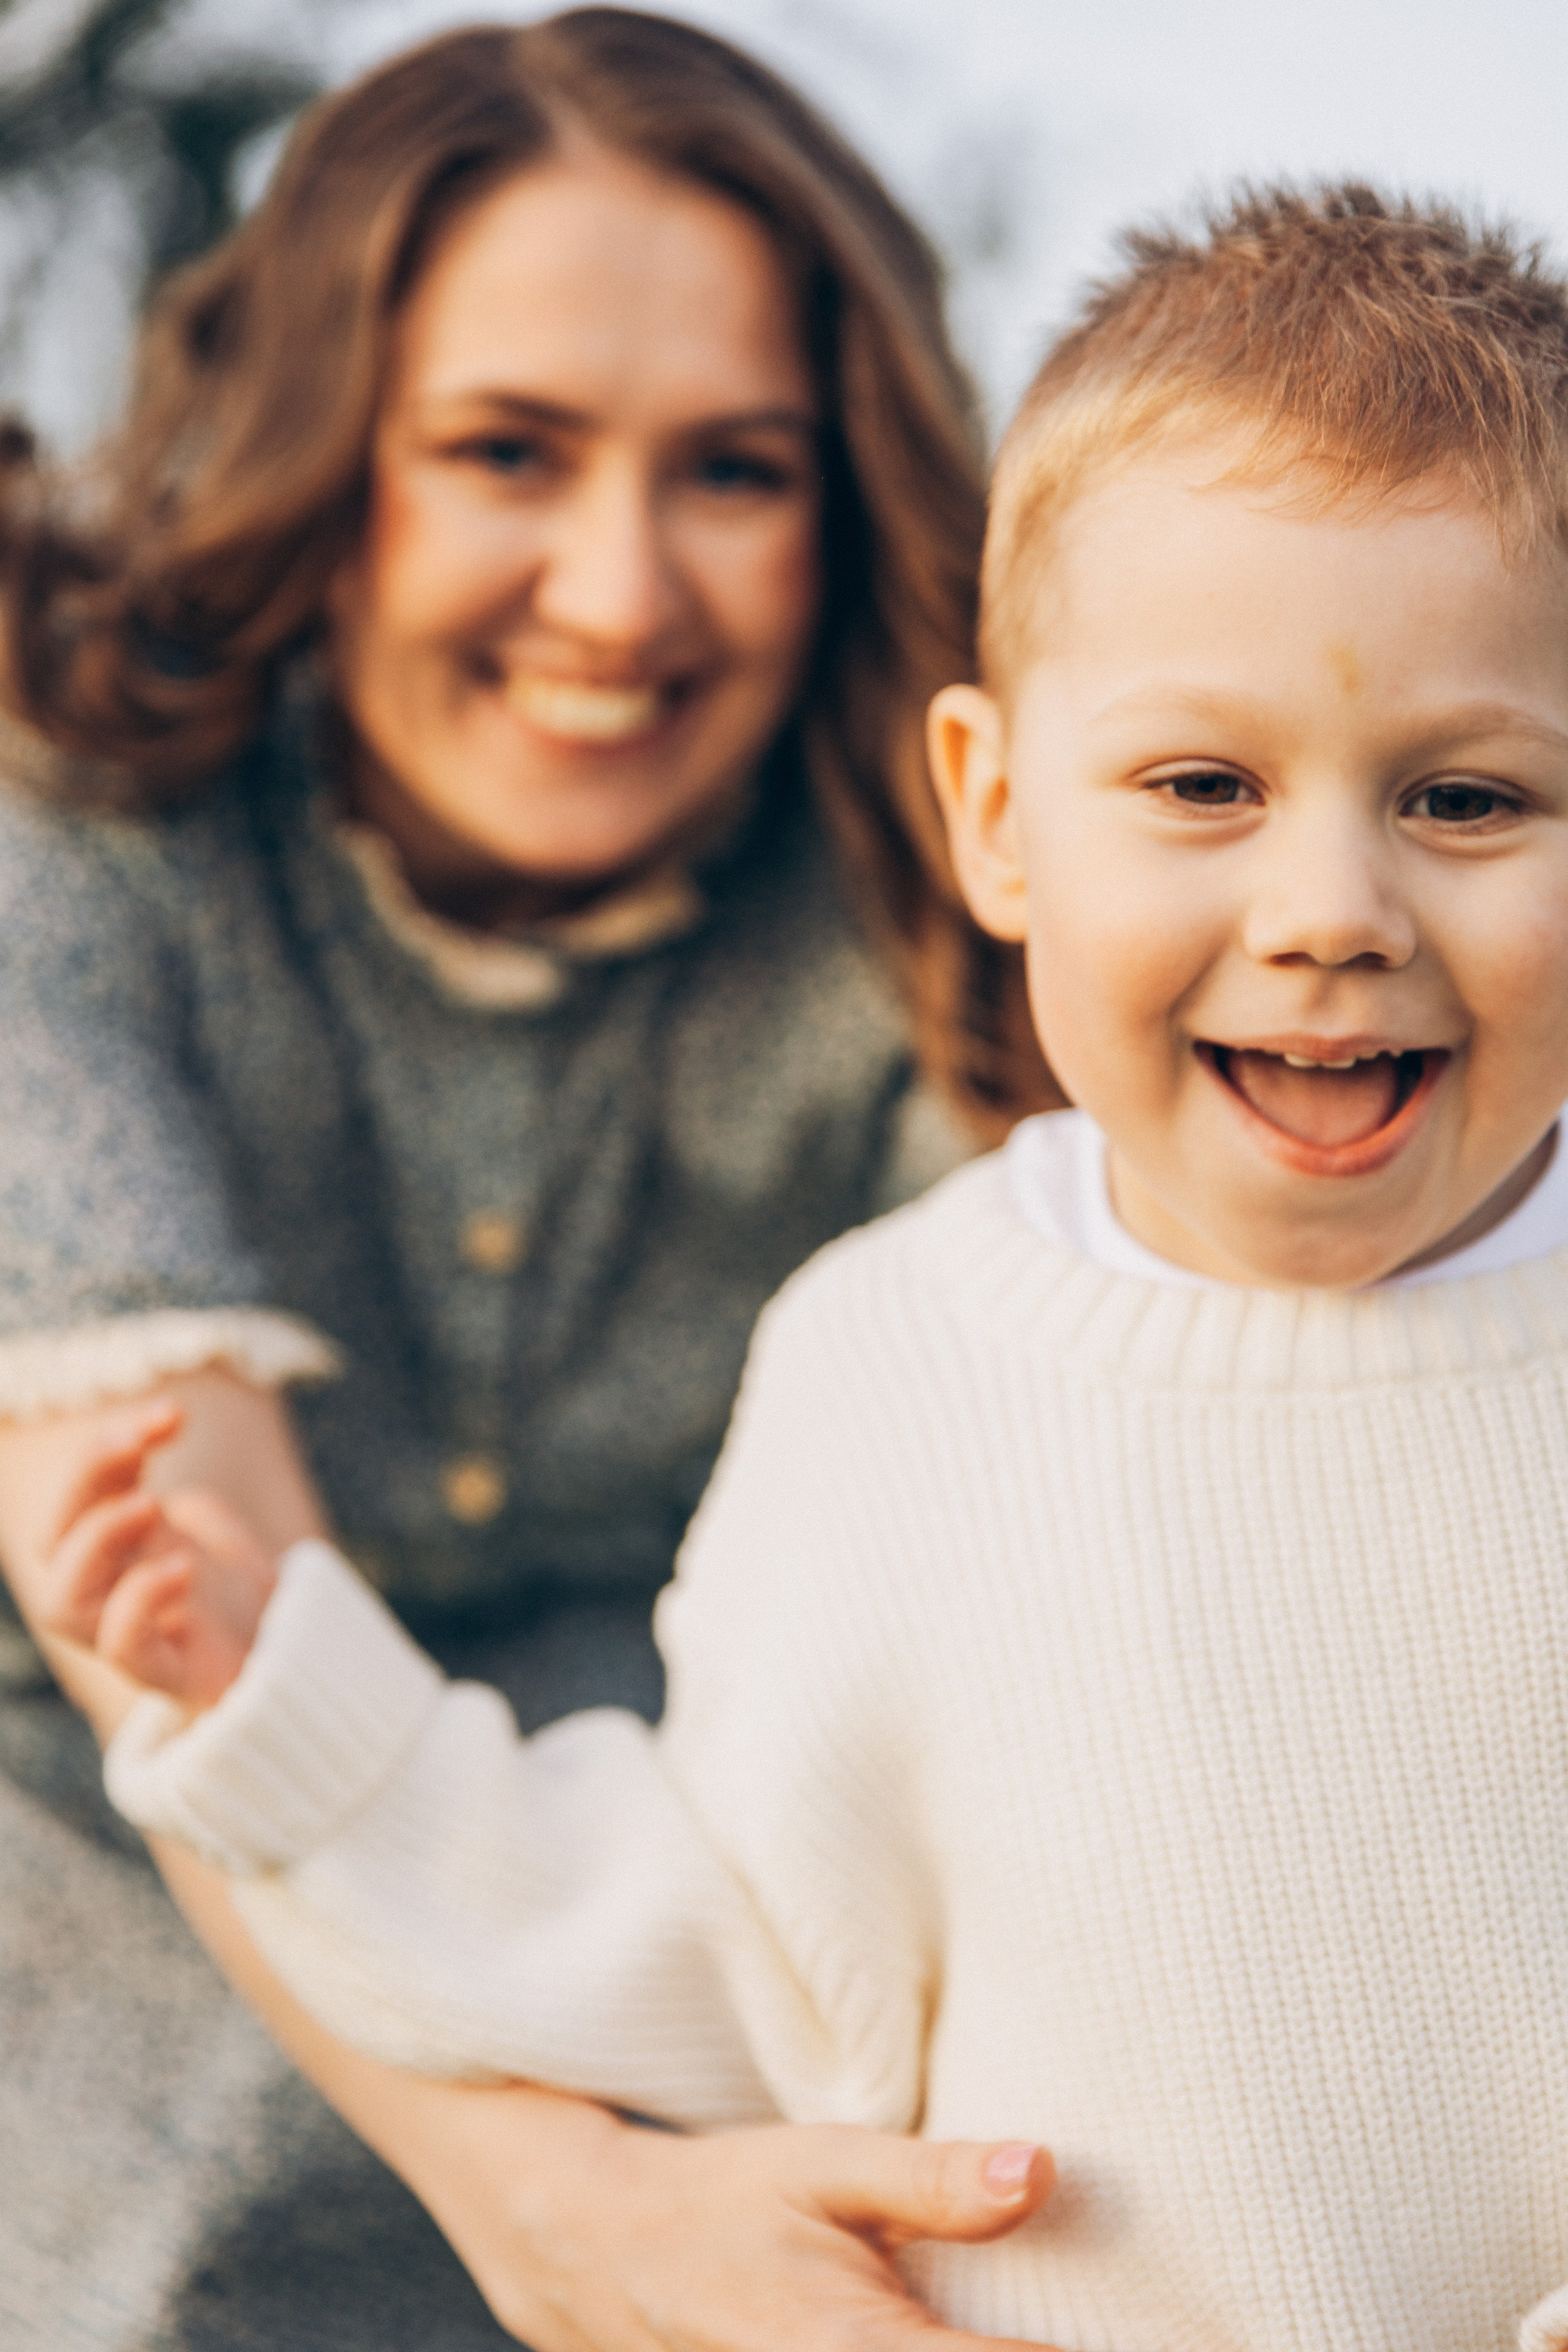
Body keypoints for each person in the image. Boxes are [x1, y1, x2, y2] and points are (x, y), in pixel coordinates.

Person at [45, 181, 1568, 2352]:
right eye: (1207, 782)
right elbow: (731, 1944)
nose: (1334, 905)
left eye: (1472, 801)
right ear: (1001, 815)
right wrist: (307, 1726)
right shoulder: (893, 1362)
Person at [0, 13, 1065, 2350]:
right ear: (321, 453)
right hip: (95, 2022)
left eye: (735, 472)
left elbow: (1078, 1511)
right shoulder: (61, 826)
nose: (619, 593)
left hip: (704, 2005)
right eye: (507, 450)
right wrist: (539, 2204)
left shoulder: (943, 890)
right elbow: (184, 1592)